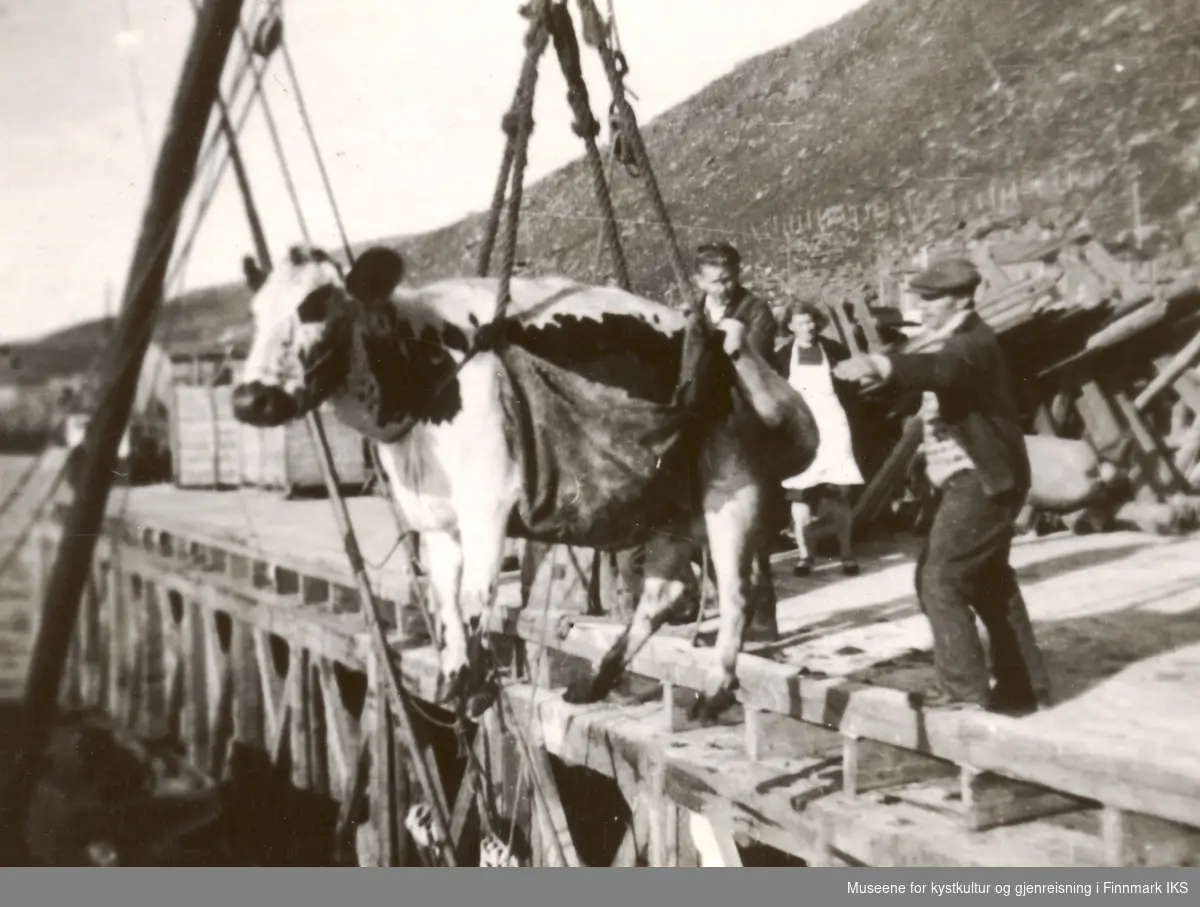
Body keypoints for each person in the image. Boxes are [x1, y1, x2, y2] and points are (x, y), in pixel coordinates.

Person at [832, 257, 1052, 715]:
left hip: (983, 479)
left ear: (963, 298)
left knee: (940, 578)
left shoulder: (973, 342)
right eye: (920, 298)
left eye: (932, 299)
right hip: (977, 477)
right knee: (988, 580)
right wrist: (887, 376)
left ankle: (964, 690)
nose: (923, 307)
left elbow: (945, 371)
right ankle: (1025, 687)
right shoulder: (953, 337)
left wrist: (879, 363)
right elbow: (928, 370)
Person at [690, 240, 781, 641]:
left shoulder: (756, 311)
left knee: (749, 528)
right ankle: (731, 615)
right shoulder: (694, 311)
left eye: (728, 279)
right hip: (708, 425)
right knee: (712, 524)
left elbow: (750, 360)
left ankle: (761, 621)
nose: (723, 288)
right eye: (714, 281)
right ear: (699, 279)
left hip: (747, 423)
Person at [772, 299, 864, 578]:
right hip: (800, 427)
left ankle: (847, 554)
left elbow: (853, 386)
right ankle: (805, 556)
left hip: (833, 422)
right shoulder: (783, 356)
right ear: (790, 326)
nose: (807, 327)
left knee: (837, 492)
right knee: (799, 495)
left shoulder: (834, 350)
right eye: (800, 322)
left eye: (810, 321)